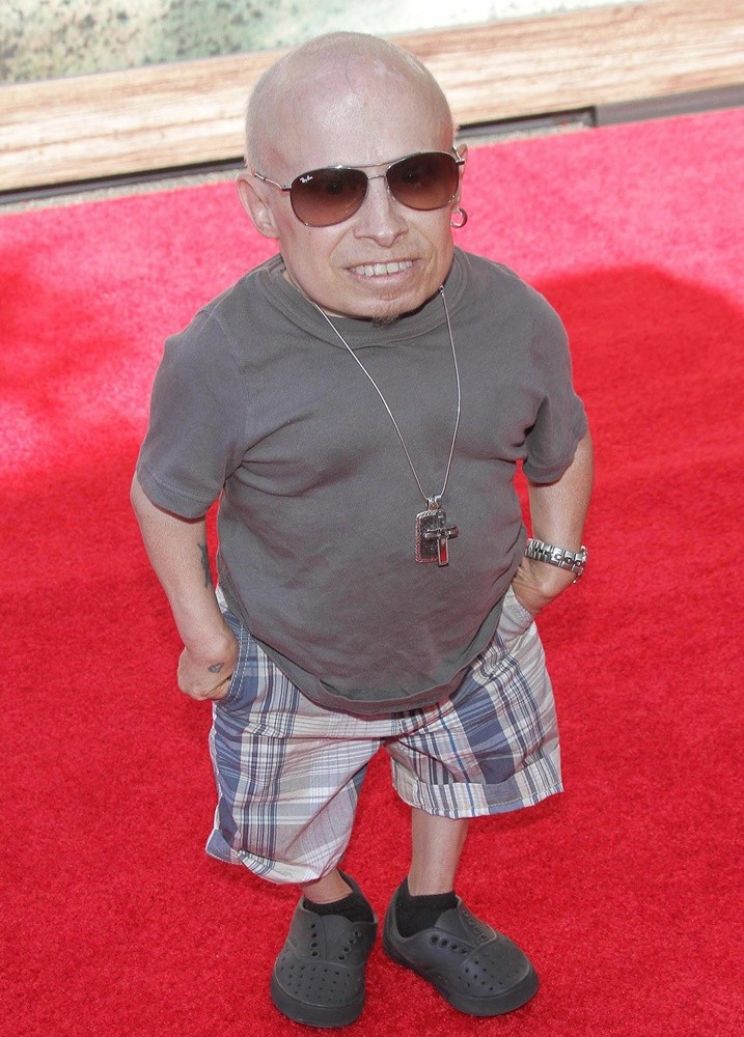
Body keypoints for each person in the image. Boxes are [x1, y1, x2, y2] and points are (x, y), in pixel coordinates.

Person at [131, 30, 592, 1028]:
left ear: (458, 175)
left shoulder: (515, 317)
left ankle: (426, 907)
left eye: (416, 178)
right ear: (262, 206)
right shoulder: (220, 355)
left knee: (456, 778)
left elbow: (563, 439)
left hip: (474, 633)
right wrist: (204, 629)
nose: (384, 227)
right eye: (331, 190)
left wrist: (553, 559)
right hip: (291, 651)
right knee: (288, 811)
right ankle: (330, 902)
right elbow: (164, 496)